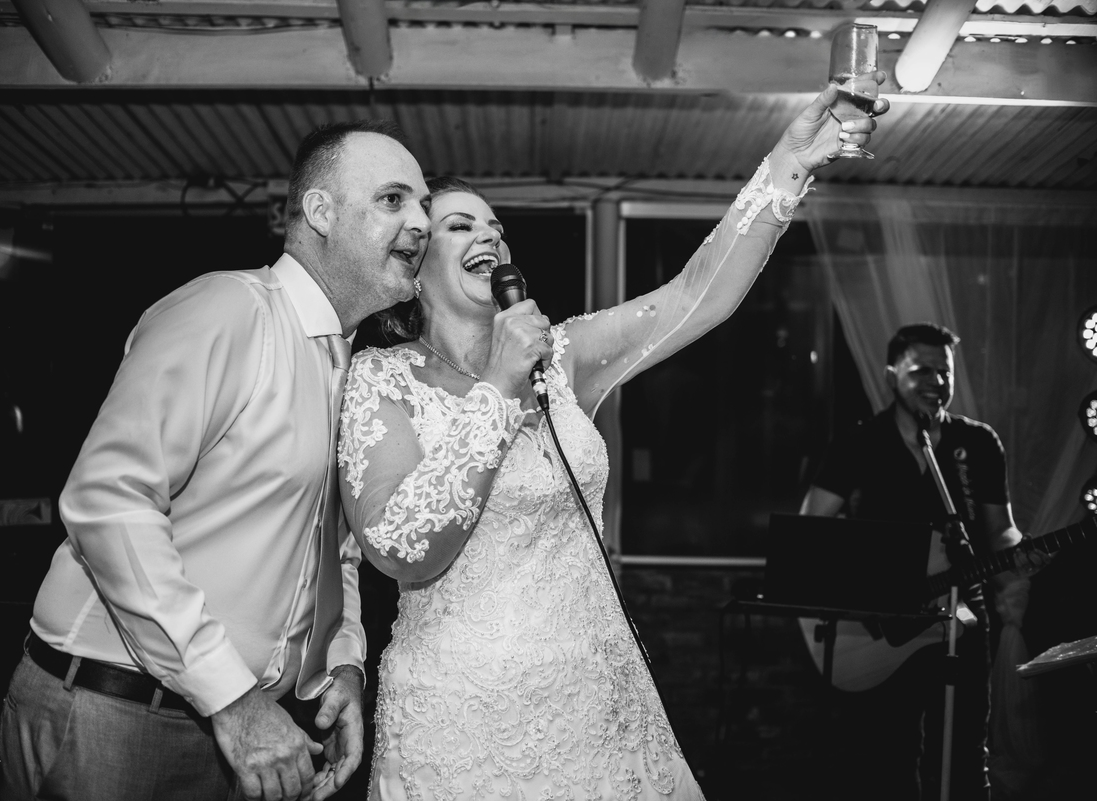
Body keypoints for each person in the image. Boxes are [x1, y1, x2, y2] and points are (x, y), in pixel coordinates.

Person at [336, 78, 888, 799]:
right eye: (460, 226)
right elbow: (400, 549)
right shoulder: (381, 378)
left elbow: (694, 295)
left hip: (599, 697)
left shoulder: (562, 358)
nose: (490, 237)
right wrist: (499, 385)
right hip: (464, 717)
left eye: (496, 227)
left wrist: (789, 163)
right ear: (416, 269)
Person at [0, 120, 432, 801]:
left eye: (424, 206)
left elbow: (332, 553)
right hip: (116, 716)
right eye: (393, 199)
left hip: (244, 732)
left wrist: (341, 668)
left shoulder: (350, 368)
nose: (421, 222)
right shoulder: (229, 310)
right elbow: (108, 500)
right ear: (320, 212)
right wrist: (232, 698)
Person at [800, 322, 1027, 801]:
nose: (936, 381)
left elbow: (1000, 531)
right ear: (891, 375)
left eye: (944, 371)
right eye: (922, 369)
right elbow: (811, 531)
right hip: (885, 621)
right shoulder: (859, 442)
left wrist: (1024, 554)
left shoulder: (978, 443)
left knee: (967, 751)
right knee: (890, 754)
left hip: (965, 613)